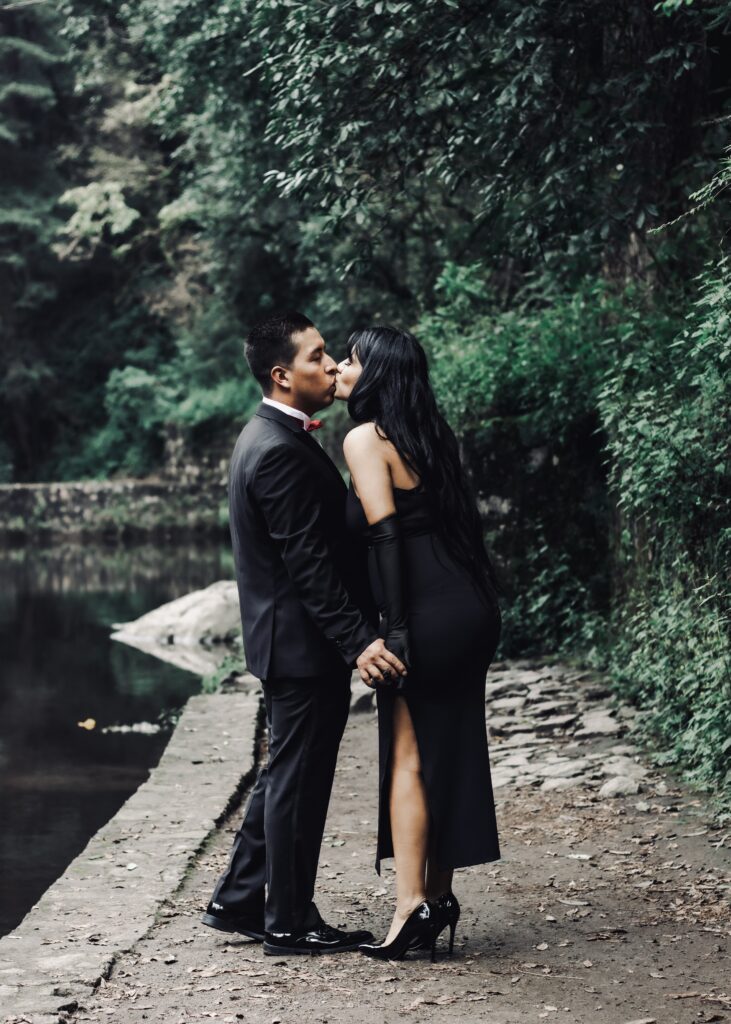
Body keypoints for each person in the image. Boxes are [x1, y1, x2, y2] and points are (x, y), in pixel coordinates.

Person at [202, 311, 407, 956]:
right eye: (318, 356)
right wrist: (359, 641)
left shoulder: (270, 436)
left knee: (283, 775)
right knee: (299, 781)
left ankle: (238, 899)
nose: (333, 366)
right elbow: (307, 565)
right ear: (282, 375)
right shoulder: (276, 451)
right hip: (301, 644)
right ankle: (288, 921)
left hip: (289, 641)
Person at [335, 325, 503, 961]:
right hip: (469, 607)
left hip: (425, 613)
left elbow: (386, 539)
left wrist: (395, 629)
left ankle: (410, 907)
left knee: (408, 754)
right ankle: (438, 893)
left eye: (351, 360)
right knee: (448, 750)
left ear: (377, 373)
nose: (340, 368)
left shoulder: (365, 438)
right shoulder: (432, 435)